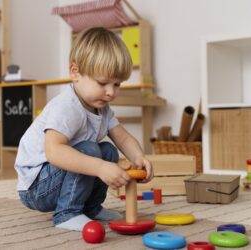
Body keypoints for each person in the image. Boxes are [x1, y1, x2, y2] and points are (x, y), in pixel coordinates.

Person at [15, 27, 154, 231]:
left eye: (117, 84)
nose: (110, 92)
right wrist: (99, 168)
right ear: (75, 73)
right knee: (89, 150)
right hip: (37, 187)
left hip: (56, 178)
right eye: (103, 83)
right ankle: (67, 214)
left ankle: (91, 208)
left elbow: (122, 137)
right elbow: (54, 152)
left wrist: (139, 158)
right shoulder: (67, 107)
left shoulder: (102, 107)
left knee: (108, 150)